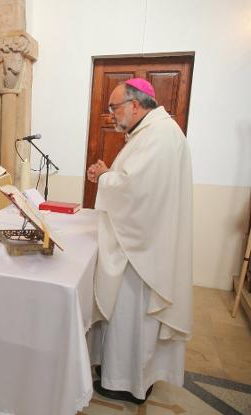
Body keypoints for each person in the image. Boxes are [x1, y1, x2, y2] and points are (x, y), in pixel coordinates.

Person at [86, 78, 193, 404]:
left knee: (132, 316)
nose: (112, 115)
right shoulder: (152, 133)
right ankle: (121, 373)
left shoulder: (159, 136)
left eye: (114, 108)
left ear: (135, 105)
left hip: (142, 252)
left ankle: (126, 381)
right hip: (144, 244)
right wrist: (109, 175)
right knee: (127, 318)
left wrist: (106, 177)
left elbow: (136, 193)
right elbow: (135, 182)